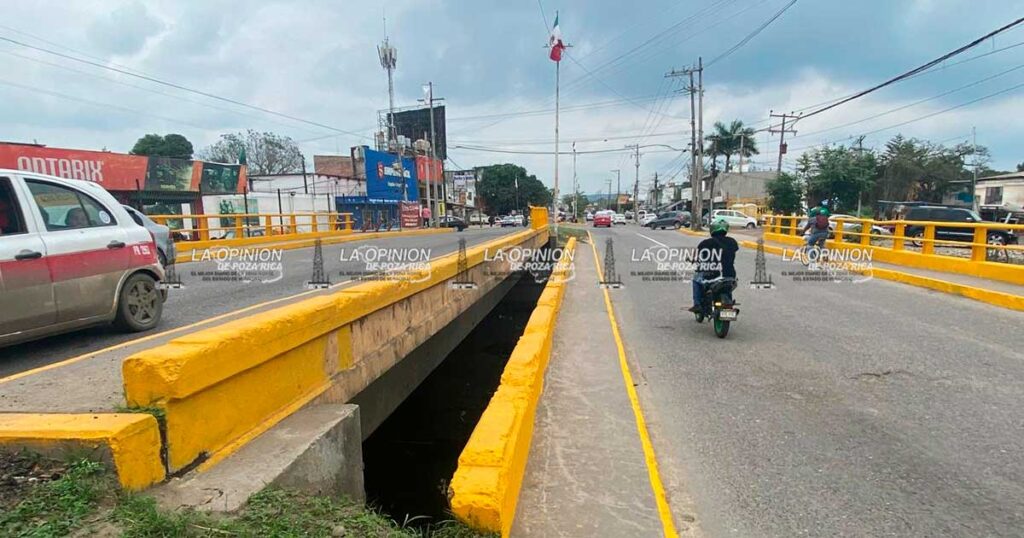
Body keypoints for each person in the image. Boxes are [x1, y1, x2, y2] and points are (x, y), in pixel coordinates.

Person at [689, 218, 739, 313]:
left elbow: (696, 256)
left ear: (712, 229)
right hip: (730, 274)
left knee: (696, 280)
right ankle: (729, 304)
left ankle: (697, 305)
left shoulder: (705, 243)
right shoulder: (732, 241)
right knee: (727, 287)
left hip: (711, 275)